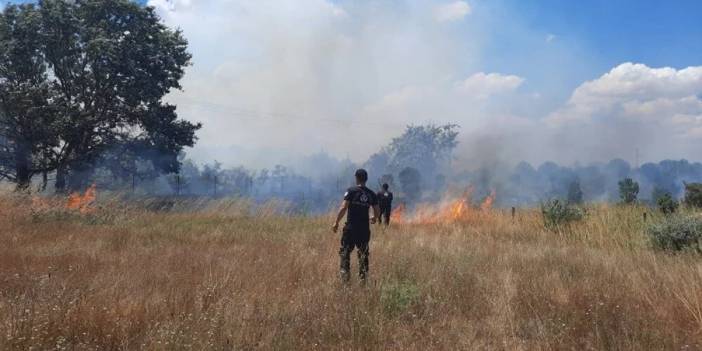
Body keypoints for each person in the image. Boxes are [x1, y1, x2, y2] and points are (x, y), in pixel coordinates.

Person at [332, 169, 380, 282]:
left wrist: (336, 222)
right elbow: (377, 210)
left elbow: (343, 207)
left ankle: (345, 277)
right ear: (366, 179)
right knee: (363, 253)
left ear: (356, 178)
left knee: (345, 252)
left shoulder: (351, 191)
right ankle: (363, 279)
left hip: (351, 229)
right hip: (364, 230)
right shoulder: (371, 194)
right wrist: (374, 217)